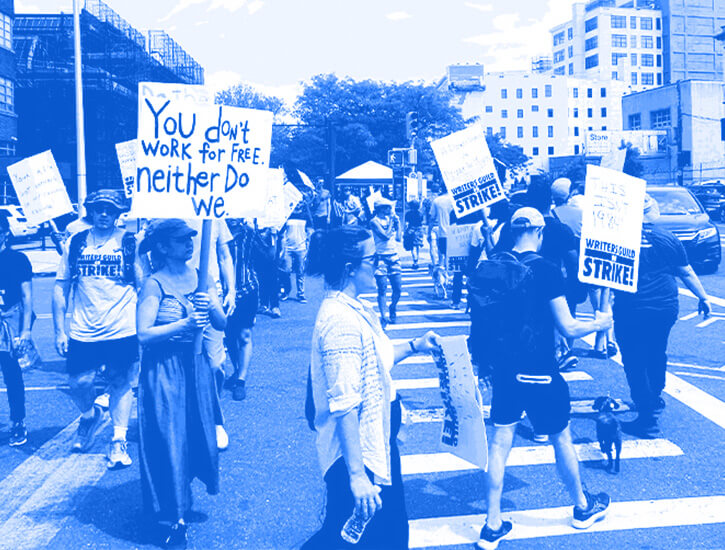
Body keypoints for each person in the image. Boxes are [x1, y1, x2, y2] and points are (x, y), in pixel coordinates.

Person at [474, 208, 613, 550]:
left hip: (503, 370)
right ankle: (582, 507)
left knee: (499, 444)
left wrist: (482, 367)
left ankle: (492, 524)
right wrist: (600, 324)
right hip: (539, 370)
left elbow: (479, 322)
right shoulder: (547, 270)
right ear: (539, 231)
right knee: (560, 438)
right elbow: (567, 327)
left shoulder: (491, 265)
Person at [302, 226, 440, 550]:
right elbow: (345, 403)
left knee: (377, 534)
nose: (379, 265)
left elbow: (375, 363)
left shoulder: (353, 308)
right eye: (372, 258)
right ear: (350, 268)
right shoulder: (341, 322)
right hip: (359, 454)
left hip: (374, 444)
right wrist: (357, 476)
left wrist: (416, 345)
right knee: (359, 538)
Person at [136, 219, 224, 548]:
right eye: (180, 239)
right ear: (162, 246)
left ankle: (182, 494)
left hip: (196, 365)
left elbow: (221, 323)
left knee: (195, 433)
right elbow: (144, 334)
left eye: (191, 238)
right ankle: (174, 516)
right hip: (163, 368)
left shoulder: (203, 277)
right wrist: (186, 322)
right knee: (169, 438)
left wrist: (212, 305)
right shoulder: (153, 283)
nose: (189, 244)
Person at [52, 189, 141, 467]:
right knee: (78, 383)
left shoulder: (129, 242)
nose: (104, 214)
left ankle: (118, 440)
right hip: (83, 329)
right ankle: (90, 415)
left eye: (110, 210)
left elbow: (143, 283)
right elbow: (61, 287)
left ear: (118, 214)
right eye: (99, 209)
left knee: (120, 381)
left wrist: (145, 327)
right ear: (90, 211)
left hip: (121, 327)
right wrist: (59, 330)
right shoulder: (76, 243)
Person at [613, 195, 711, 438]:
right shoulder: (668, 238)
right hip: (664, 306)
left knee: (634, 360)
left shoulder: (619, 239)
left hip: (631, 307)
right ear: (653, 212)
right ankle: (655, 398)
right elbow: (685, 272)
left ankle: (646, 419)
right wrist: (703, 297)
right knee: (657, 353)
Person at [0, 213, 31, 447]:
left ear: (5, 233)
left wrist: (25, 331)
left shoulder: (17, 260)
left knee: (12, 376)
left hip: (8, 327)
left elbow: (27, 298)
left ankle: (18, 421)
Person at [225, 219, 259, 401]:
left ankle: (240, 380)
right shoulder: (216, 231)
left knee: (244, 335)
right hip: (223, 292)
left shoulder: (248, 232)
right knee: (229, 336)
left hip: (247, 289)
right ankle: (238, 369)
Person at [369, 197, 403, 324]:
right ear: (380, 209)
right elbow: (384, 236)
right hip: (380, 257)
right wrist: (391, 224)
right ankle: (384, 315)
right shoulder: (374, 221)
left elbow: (398, 238)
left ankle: (393, 306)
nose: (390, 209)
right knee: (382, 288)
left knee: (398, 288)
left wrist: (398, 225)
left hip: (393, 255)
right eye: (387, 207)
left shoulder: (391, 220)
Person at [280, 201, 313, 303]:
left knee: (300, 272)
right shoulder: (287, 215)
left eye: (300, 203)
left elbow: (310, 232)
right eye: (296, 203)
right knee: (286, 271)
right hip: (288, 248)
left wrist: (308, 246)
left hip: (301, 248)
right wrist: (282, 248)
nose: (298, 204)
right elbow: (282, 233)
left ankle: (301, 294)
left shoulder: (305, 216)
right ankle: (286, 291)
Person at [403, 199, 425, 269]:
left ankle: (415, 261)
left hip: (411, 229)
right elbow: (422, 221)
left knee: (412, 247)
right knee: (417, 246)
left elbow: (406, 224)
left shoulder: (408, 214)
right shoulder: (420, 214)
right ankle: (416, 261)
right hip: (419, 229)